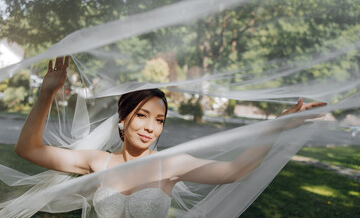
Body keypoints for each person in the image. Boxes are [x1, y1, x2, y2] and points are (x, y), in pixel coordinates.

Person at [14, 56, 326, 217]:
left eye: (160, 120)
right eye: (142, 115)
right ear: (122, 120)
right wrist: (46, 94)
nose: (151, 127)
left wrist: (273, 127)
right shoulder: (97, 163)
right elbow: (29, 149)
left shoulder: (171, 164)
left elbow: (235, 171)